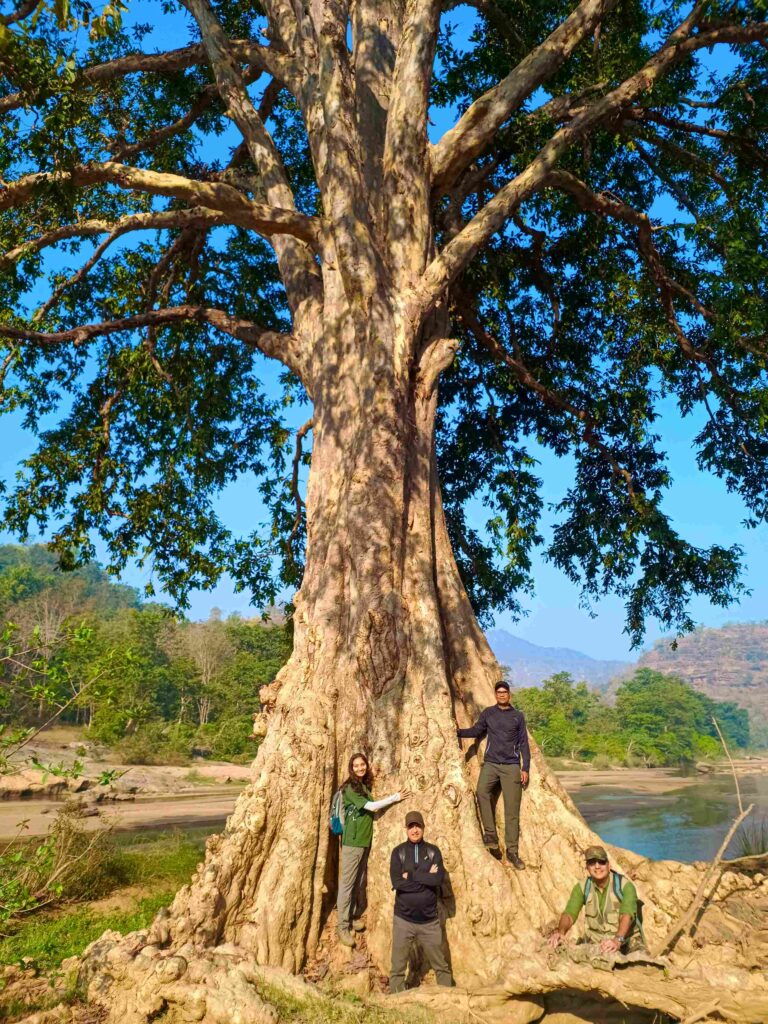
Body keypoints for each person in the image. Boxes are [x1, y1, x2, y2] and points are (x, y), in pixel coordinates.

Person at [457, 680, 530, 868]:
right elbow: (476, 730)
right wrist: (456, 732)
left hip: (511, 766)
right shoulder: (489, 713)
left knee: (512, 812)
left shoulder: (518, 716)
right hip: (491, 764)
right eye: (499, 692)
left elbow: (523, 743)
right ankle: (491, 835)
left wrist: (525, 768)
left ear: (509, 694)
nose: (502, 695)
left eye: (505, 692)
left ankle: (512, 853)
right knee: (482, 792)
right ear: (495, 695)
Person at [336, 752, 405, 947]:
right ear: (351, 768)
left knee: (358, 881)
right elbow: (372, 807)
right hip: (352, 841)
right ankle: (342, 926)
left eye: (362, 764)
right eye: (356, 765)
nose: (360, 768)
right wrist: (395, 797)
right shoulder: (350, 788)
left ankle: (353, 916)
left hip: (364, 841)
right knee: (348, 884)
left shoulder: (363, 786)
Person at [389, 811, 453, 993]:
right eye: (411, 826)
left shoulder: (433, 852)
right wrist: (425, 878)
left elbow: (437, 880)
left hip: (429, 922)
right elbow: (397, 883)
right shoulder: (398, 852)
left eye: (418, 826)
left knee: (441, 966)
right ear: (406, 829)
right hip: (403, 920)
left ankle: (447, 1001)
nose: (415, 830)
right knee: (397, 969)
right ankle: (397, 1003)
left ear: (423, 828)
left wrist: (411, 876)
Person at [547, 845, 645, 956]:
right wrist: (561, 932)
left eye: (601, 862)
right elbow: (569, 914)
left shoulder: (625, 886)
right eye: (592, 862)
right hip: (596, 942)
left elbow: (626, 915)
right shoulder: (582, 887)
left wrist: (617, 940)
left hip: (625, 941)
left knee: (640, 962)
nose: (597, 866)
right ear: (587, 867)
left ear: (609, 865)